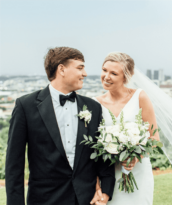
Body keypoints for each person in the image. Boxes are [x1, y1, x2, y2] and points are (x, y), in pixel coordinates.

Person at [5, 47, 115, 205]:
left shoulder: (93, 107)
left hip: (87, 200)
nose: (85, 73)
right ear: (61, 69)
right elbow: (14, 165)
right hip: (44, 200)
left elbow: (102, 154)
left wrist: (106, 193)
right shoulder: (26, 106)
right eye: (80, 67)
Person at [92, 52, 159, 205]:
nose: (106, 76)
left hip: (138, 174)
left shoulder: (139, 97)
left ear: (126, 77)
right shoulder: (95, 103)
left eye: (113, 73)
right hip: (109, 175)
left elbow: (154, 139)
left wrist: (136, 156)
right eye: (104, 70)